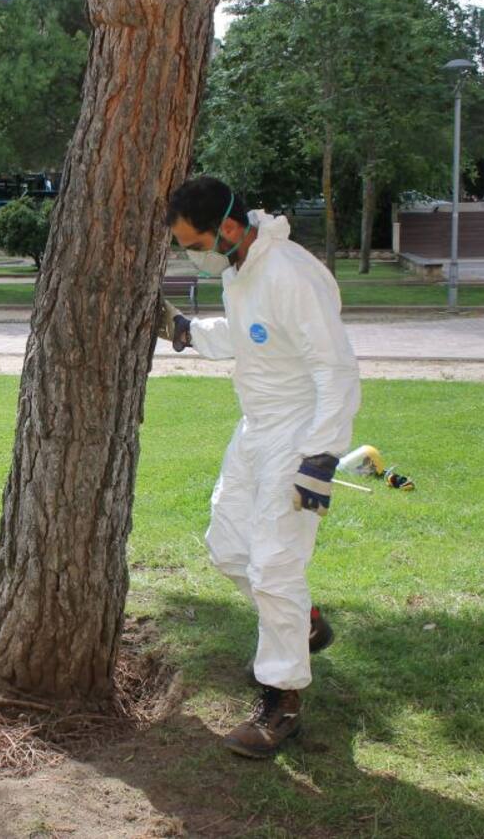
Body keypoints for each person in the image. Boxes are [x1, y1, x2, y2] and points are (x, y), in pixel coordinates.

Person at [159, 176, 361, 758]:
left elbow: (336, 368)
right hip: (255, 427)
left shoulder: (291, 273)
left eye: (193, 244)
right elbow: (252, 338)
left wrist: (319, 459)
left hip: (299, 433)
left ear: (225, 228)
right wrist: (185, 331)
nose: (192, 256)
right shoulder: (241, 269)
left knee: (274, 566)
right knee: (227, 546)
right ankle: (306, 623)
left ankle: (282, 701)